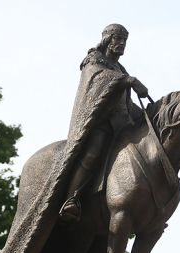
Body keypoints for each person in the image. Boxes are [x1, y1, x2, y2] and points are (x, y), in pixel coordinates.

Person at [59, 23, 149, 223]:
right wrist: (129, 80)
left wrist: (146, 113)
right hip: (101, 122)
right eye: (118, 39)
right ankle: (71, 199)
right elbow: (99, 77)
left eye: (124, 40)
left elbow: (125, 103)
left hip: (121, 123)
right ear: (107, 39)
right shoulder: (94, 60)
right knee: (93, 152)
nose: (122, 44)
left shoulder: (120, 68)